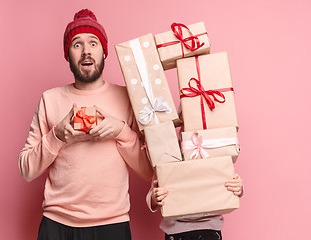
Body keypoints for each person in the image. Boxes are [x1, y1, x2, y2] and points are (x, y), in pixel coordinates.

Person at [18, 9, 153, 240]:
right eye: (77, 44)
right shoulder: (49, 99)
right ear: (67, 54)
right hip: (57, 224)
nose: (86, 50)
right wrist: (57, 136)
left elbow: (147, 171)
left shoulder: (127, 98)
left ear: (104, 52)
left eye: (94, 43)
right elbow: (26, 170)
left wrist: (120, 131)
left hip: (113, 225)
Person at [147, 171, 243, 240]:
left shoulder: (212, 149)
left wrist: (238, 187)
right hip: (176, 231)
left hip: (209, 229)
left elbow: (228, 181)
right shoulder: (167, 155)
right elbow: (153, 196)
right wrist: (155, 198)